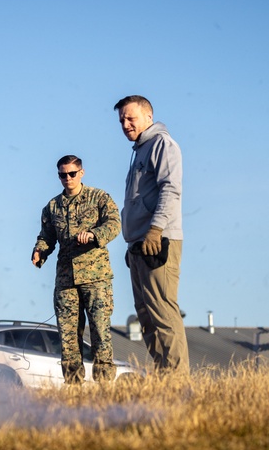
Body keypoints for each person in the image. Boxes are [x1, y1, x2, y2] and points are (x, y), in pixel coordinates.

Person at [114, 95, 190, 373]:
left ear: (149, 117)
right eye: (121, 119)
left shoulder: (162, 144)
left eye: (130, 118)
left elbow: (171, 188)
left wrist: (155, 230)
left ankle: (178, 382)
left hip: (158, 239)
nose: (125, 124)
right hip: (138, 244)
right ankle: (164, 376)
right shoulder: (139, 151)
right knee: (146, 316)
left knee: (163, 311)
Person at [32, 155, 122, 385]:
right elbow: (47, 237)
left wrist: (94, 235)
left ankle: (104, 386)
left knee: (100, 332)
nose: (67, 178)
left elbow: (114, 223)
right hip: (66, 281)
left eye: (72, 174)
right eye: (63, 175)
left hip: (96, 277)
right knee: (68, 337)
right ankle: (73, 387)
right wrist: (40, 251)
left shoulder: (99, 198)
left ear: (81, 173)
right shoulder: (52, 207)